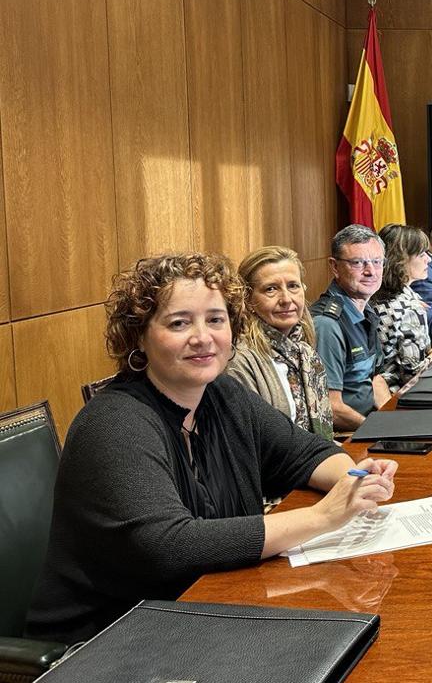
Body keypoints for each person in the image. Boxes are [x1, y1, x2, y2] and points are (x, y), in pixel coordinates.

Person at [26, 253, 398, 644]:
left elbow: (306, 453)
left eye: (215, 320)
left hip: (203, 615)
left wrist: (357, 481)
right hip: (107, 642)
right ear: (139, 336)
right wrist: (324, 516)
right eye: (179, 322)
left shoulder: (221, 395)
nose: (203, 337)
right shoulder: (114, 424)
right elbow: (170, 546)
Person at [225, 246, 335, 441]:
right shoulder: (239, 360)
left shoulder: (305, 351)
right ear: (248, 299)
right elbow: (253, 444)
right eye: (271, 289)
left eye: (293, 286)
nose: (286, 299)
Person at [311, 224, 392, 429]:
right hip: (346, 436)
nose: (370, 271)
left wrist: (391, 420)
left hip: (370, 423)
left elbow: (375, 377)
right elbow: (331, 407)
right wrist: (377, 430)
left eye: (377, 262)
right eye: (357, 263)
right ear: (334, 267)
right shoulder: (327, 324)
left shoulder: (365, 310)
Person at [372, 223, 432, 392]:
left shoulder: (369, 295)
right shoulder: (410, 308)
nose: (428, 259)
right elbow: (413, 375)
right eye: (422, 254)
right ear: (400, 260)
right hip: (396, 398)